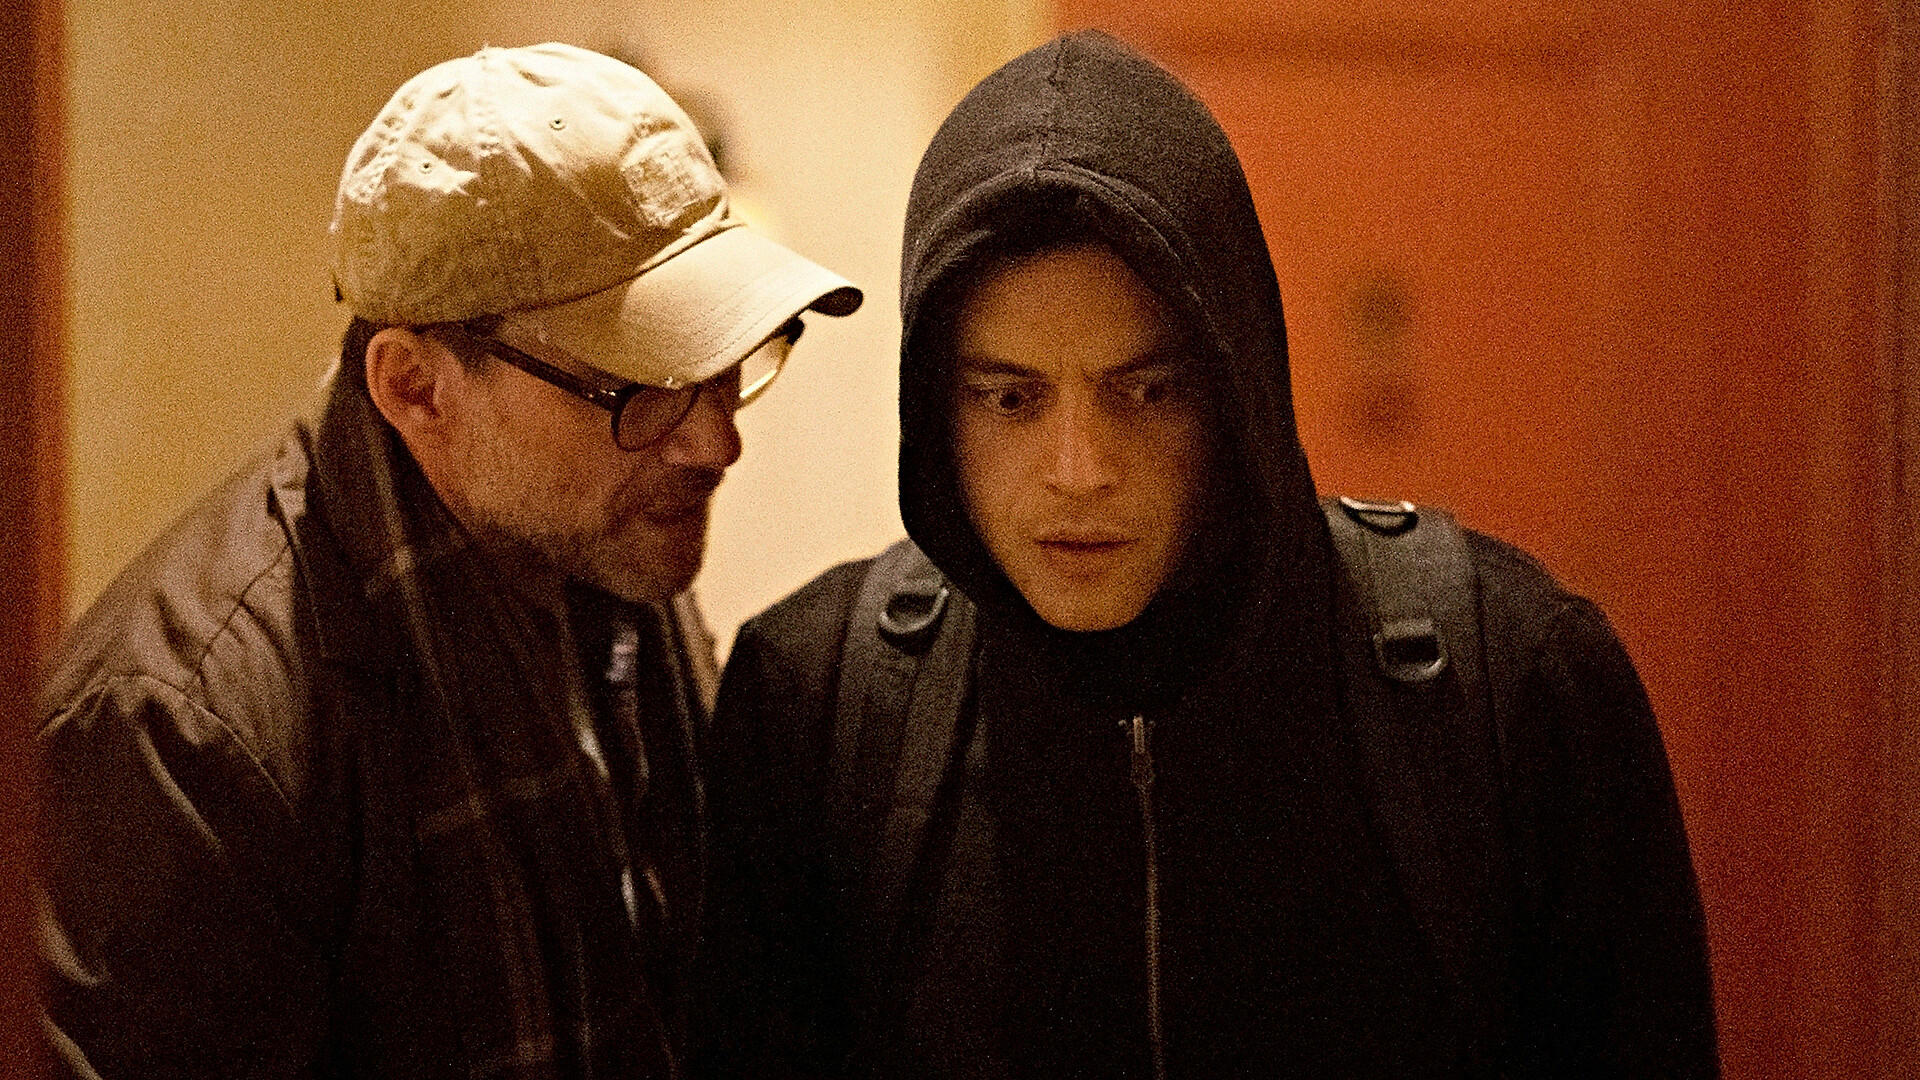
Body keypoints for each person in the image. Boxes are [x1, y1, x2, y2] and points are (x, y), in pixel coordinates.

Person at [697, 30, 1718, 1079]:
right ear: (933, 409)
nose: (1081, 469)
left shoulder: (1515, 685)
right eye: (1010, 399)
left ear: (1236, 390)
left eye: (1149, 390)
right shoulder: (816, 706)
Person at [35, 42, 861, 1080]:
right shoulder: (187, 733)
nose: (714, 440)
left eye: (720, 361)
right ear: (416, 388)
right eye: (639, 387)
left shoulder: (606, 556)